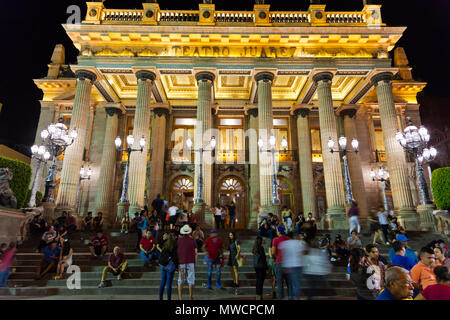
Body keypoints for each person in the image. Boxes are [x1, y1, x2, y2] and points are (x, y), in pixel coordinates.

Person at [279, 231, 306, 300]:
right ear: (295, 236)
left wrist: (283, 265)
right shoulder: (300, 243)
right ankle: (295, 296)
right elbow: (304, 253)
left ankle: (291, 296)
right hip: (298, 265)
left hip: (288, 265)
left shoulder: (284, 244)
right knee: (297, 283)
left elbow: (282, 255)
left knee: (290, 283)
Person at [177, 224, 197, 300]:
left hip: (181, 262)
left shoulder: (179, 240)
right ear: (189, 232)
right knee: (191, 279)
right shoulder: (193, 240)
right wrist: (195, 262)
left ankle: (180, 297)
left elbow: (177, 251)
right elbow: (195, 252)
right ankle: (191, 296)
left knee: (181, 279)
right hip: (191, 262)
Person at [272, 225, 290, 300]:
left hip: (279, 263)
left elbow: (273, 252)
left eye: (277, 230)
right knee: (289, 283)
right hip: (288, 264)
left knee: (280, 284)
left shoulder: (275, 240)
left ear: (279, 231)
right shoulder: (288, 239)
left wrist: (276, 257)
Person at [158, 231, 178, 300]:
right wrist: (177, 266)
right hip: (170, 266)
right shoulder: (174, 245)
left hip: (163, 265)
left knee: (162, 282)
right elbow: (175, 257)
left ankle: (160, 298)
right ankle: (168, 298)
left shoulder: (165, 244)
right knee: (169, 283)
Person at [252, 236, 267, 300]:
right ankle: (259, 295)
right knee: (261, 281)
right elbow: (263, 258)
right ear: (260, 241)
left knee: (258, 281)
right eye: (262, 240)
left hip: (256, 266)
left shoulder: (254, 248)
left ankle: (258, 295)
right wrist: (266, 266)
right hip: (261, 267)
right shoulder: (261, 248)